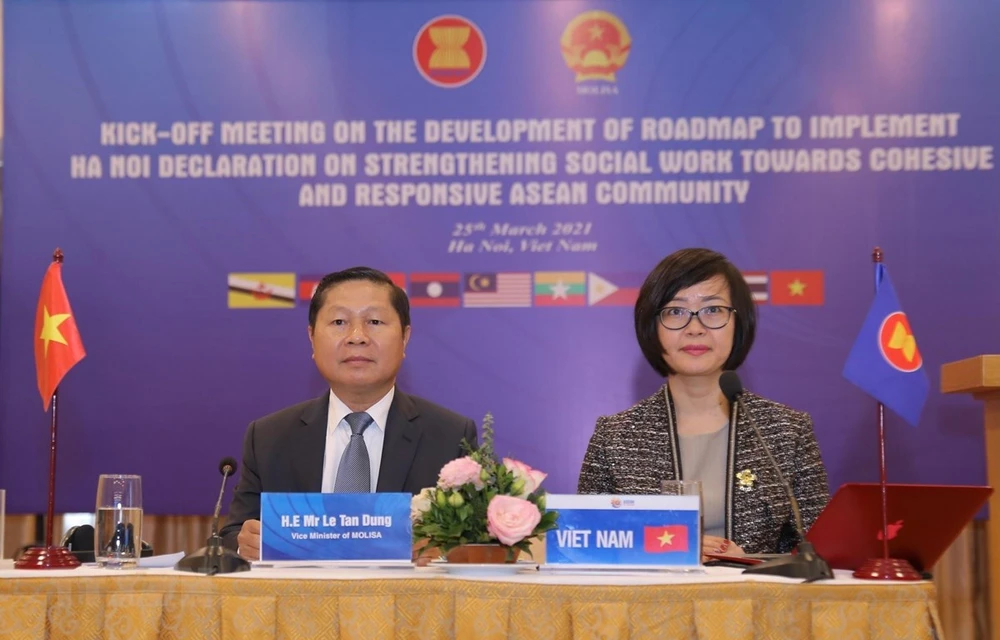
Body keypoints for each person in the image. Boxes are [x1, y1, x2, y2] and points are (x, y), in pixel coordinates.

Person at [578, 248, 829, 557]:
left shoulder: (786, 431)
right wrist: (666, 549)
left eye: (712, 310)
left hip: (758, 602)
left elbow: (819, 551)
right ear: (652, 327)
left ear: (739, 322)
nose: (695, 327)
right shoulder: (616, 437)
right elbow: (588, 546)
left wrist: (752, 563)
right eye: (675, 311)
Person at [221, 267, 477, 560]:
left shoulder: (449, 436)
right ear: (312, 338)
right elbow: (233, 534)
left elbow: (474, 541)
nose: (357, 337)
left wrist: (442, 549)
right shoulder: (269, 437)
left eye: (375, 321)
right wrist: (246, 545)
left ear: (405, 338)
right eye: (339, 321)